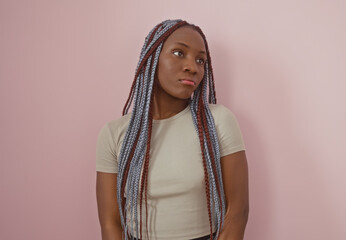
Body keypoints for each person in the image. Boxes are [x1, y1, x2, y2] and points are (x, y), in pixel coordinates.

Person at [96, 19, 249, 240]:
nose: (193, 67)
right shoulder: (115, 134)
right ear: (151, 59)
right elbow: (110, 222)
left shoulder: (218, 121)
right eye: (179, 53)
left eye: (200, 60)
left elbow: (238, 212)